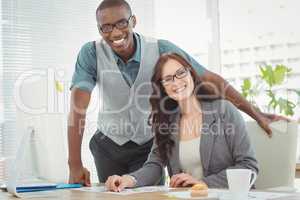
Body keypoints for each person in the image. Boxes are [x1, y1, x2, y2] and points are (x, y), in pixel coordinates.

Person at [68, 0, 281, 186]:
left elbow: (211, 79)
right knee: (115, 193)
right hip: (109, 144)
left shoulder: (162, 50)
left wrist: (257, 114)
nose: (114, 33)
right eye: (106, 27)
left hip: (146, 144)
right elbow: (78, 109)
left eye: (121, 23)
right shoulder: (91, 53)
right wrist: (75, 164)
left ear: (133, 21)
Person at [105, 53, 259, 191]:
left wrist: (202, 183)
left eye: (180, 73)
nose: (176, 82)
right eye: (168, 79)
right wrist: (129, 179)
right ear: (163, 87)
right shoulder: (167, 121)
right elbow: (155, 165)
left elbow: (248, 166)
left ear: (191, 73)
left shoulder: (224, 110)